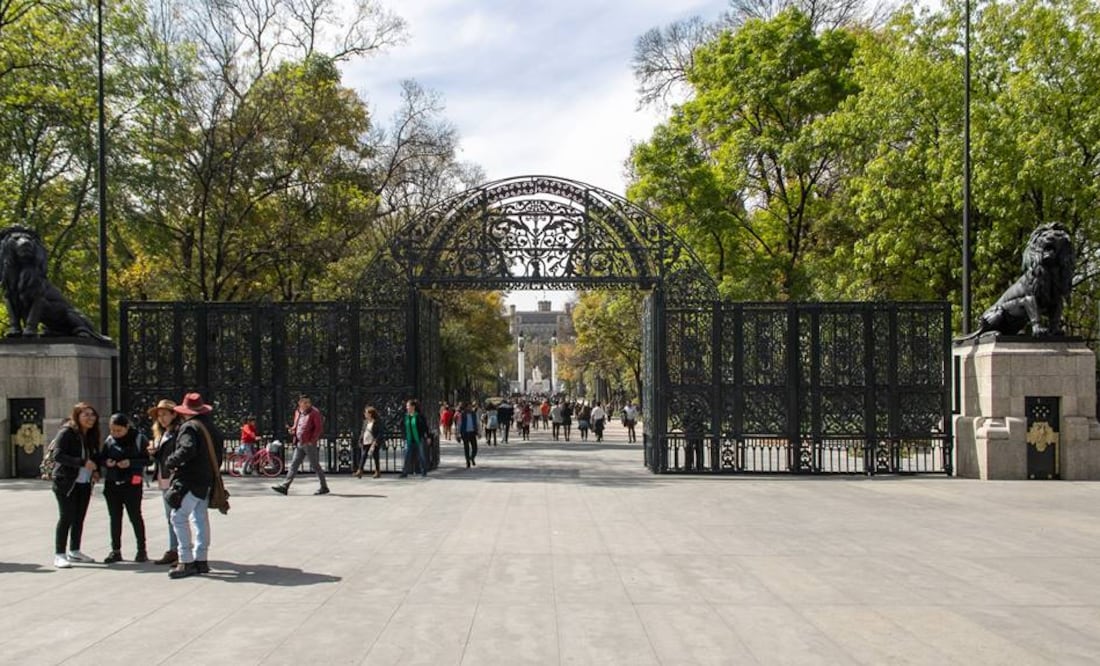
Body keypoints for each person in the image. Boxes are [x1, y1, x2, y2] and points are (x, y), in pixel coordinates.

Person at [164, 392, 224, 578]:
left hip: (190, 479)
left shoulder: (189, 427)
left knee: (178, 517)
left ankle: (186, 560)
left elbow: (187, 449)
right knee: (200, 518)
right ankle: (201, 559)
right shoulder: (211, 427)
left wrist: (171, 461)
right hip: (207, 479)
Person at [51, 402, 101, 568]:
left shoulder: (91, 435)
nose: (90, 418)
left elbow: (94, 456)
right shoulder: (67, 432)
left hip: (84, 482)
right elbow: (57, 455)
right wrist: (81, 463)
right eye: (85, 415)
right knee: (66, 517)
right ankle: (59, 554)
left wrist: (95, 469)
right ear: (77, 416)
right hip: (66, 482)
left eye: (92, 415)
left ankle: (75, 550)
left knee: (79, 517)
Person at [99, 413, 150, 564]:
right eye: (112, 430)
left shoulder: (139, 439)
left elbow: (147, 460)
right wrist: (106, 462)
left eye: (119, 430)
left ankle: (141, 550)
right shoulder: (109, 441)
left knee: (135, 516)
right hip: (112, 483)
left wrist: (131, 462)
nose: (115, 434)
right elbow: (101, 458)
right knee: (115, 518)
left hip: (132, 483)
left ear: (127, 427)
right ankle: (116, 550)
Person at [147, 399, 181, 565]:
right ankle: (173, 548)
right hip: (163, 477)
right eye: (159, 415)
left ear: (174, 414)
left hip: (173, 478)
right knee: (170, 516)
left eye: (165, 414)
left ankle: (181, 550)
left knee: (177, 515)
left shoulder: (178, 432)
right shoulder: (162, 433)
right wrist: (153, 453)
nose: (161, 418)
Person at [272, 394, 328, 496]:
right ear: (300, 403)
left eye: (308, 402)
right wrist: (293, 430)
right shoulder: (298, 412)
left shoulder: (314, 413)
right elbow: (297, 425)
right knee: (294, 464)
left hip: (308, 443)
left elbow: (318, 428)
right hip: (299, 442)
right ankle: (285, 486)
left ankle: (324, 486)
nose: (307, 404)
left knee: (315, 465)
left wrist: (312, 440)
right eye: (304, 402)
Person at [400, 399, 430, 477]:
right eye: (407, 406)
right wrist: (404, 436)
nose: (407, 408)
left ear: (413, 407)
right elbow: (402, 427)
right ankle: (405, 472)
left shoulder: (419, 416)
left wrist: (428, 436)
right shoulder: (405, 416)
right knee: (406, 456)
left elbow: (425, 427)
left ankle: (423, 471)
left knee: (421, 455)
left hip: (418, 439)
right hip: (409, 439)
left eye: (408, 406)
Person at [355, 406, 383, 479]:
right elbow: (363, 431)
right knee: (363, 456)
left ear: (370, 414)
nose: (365, 414)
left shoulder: (376, 422)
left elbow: (380, 432)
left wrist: (376, 440)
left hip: (373, 442)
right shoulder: (365, 422)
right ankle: (360, 471)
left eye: (366, 413)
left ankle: (377, 471)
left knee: (375, 457)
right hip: (366, 441)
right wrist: (360, 439)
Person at [457, 401, 479, 468]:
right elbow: (459, 424)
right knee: (466, 448)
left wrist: (479, 432)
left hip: (472, 432)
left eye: (471, 406)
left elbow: (477, 423)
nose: (470, 408)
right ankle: (467, 461)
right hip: (465, 433)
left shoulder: (474, 414)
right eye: (468, 406)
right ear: (466, 407)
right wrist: (458, 434)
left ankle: (471, 457)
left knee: (475, 448)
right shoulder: (462, 414)